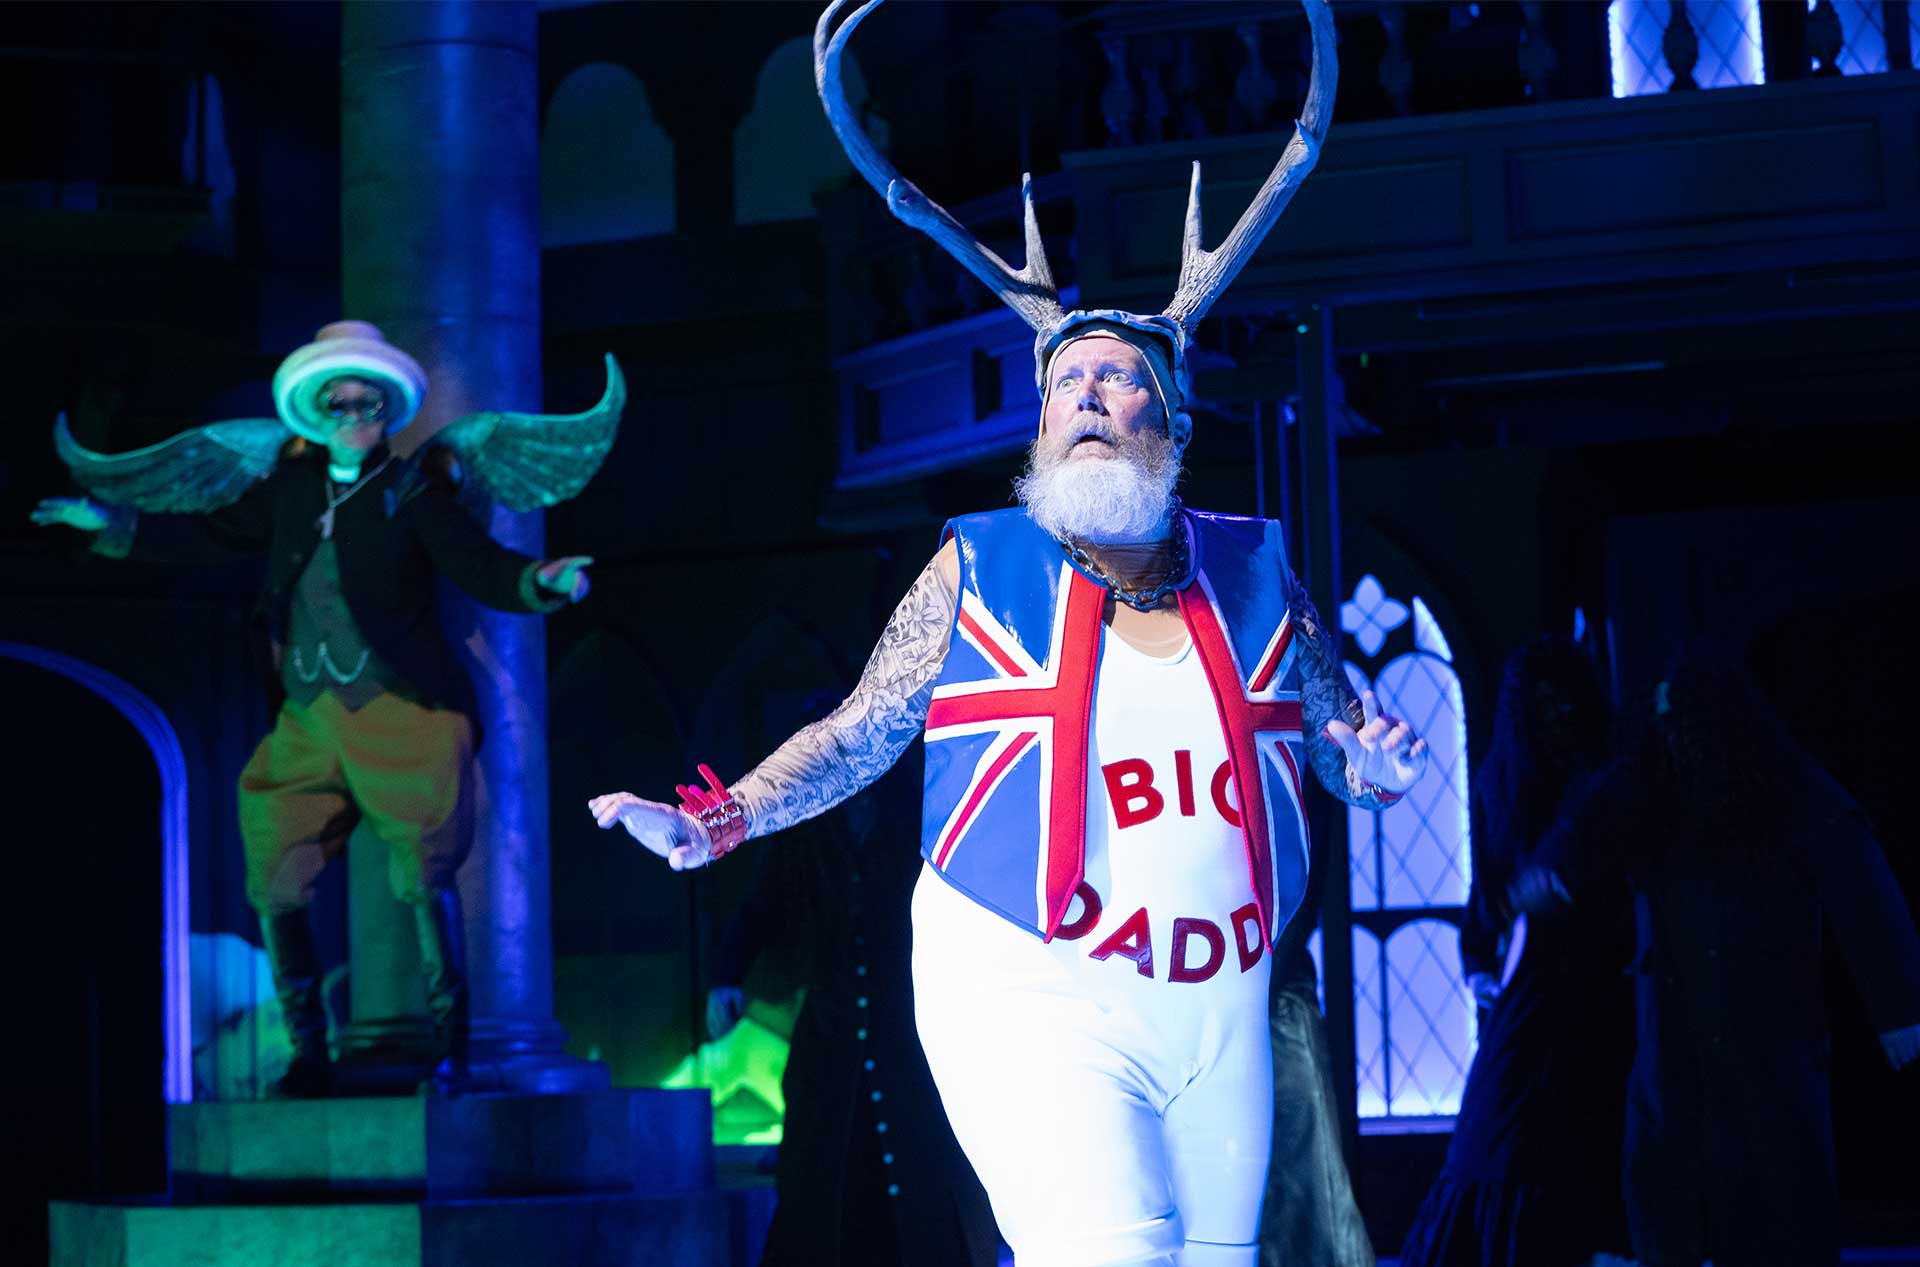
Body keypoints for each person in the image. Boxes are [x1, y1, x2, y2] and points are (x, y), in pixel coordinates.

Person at [591, 6, 1425, 1261]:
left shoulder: (1255, 574)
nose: (1084, 394)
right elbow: (862, 730)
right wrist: (719, 819)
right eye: (1064, 384)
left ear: (1171, 418)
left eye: (1115, 377)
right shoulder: (982, 568)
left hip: (1219, 1005)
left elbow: (1340, 745)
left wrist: (1376, 767)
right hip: (1033, 982)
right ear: (1039, 430)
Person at [34, 321, 620, 1096]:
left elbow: (475, 562)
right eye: (339, 403)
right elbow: (209, 537)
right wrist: (113, 525)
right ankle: (309, 1051)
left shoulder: (412, 490)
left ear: (385, 412)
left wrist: (539, 580)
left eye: (366, 403)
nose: (353, 416)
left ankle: (451, 1048)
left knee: (423, 876)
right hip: (311, 710)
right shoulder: (291, 489)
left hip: (402, 708)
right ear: (316, 411)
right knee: (274, 871)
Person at [1515, 646, 1920, 1267]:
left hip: (1767, 1032)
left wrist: (1899, 1006)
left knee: (1775, 1198)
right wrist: (1557, 867)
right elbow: (1594, 822)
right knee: (1673, 1192)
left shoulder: (1785, 789)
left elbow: (1856, 876)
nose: (1673, 734)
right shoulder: (1649, 784)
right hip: (1677, 1040)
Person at [1398, 636, 1634, 1267]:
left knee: (1578, 1140)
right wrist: (1480, 963)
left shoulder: (1607, 778)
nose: (1557, 717)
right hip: (1530, 985)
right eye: (1543, 705)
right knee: (1496, 1135)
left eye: (1566, 702)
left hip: (1603, 985)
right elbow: (1488, 894)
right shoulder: (1501, 784)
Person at [707, 768, 999, 1267]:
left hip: (907, 1030)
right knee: (824, 1173)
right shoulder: (806, 825)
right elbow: (761, 903)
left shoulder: (910, 809)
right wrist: (726, 977)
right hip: (831, 1026)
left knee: (921, 1169)